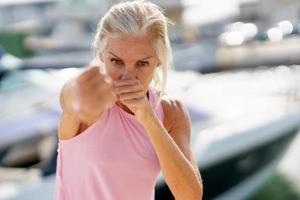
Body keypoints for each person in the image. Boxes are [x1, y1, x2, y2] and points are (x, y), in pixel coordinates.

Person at [54, 1, 203, 199]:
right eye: (116, 61)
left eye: (142, 63)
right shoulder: (88, 97)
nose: (128, 77)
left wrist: (148, 117)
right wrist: (80, 95)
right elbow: (72, 97)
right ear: (101, 56)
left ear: (158, 61)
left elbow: (190, 196)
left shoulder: (170, 111)